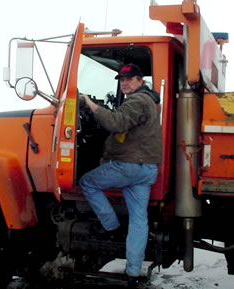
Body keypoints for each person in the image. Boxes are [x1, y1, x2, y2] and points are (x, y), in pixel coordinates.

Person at [79, 63, 162, 287]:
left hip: (129, 166)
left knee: (87, 182)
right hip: (146, 169)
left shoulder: (138, 100)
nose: (125, 83)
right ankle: (133, 273)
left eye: (130, 79)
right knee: (138, 219)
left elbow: (116, 122)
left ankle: (111, 227)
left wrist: (90, 104)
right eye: (122, 80)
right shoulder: (150, 100)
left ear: (139, 81)